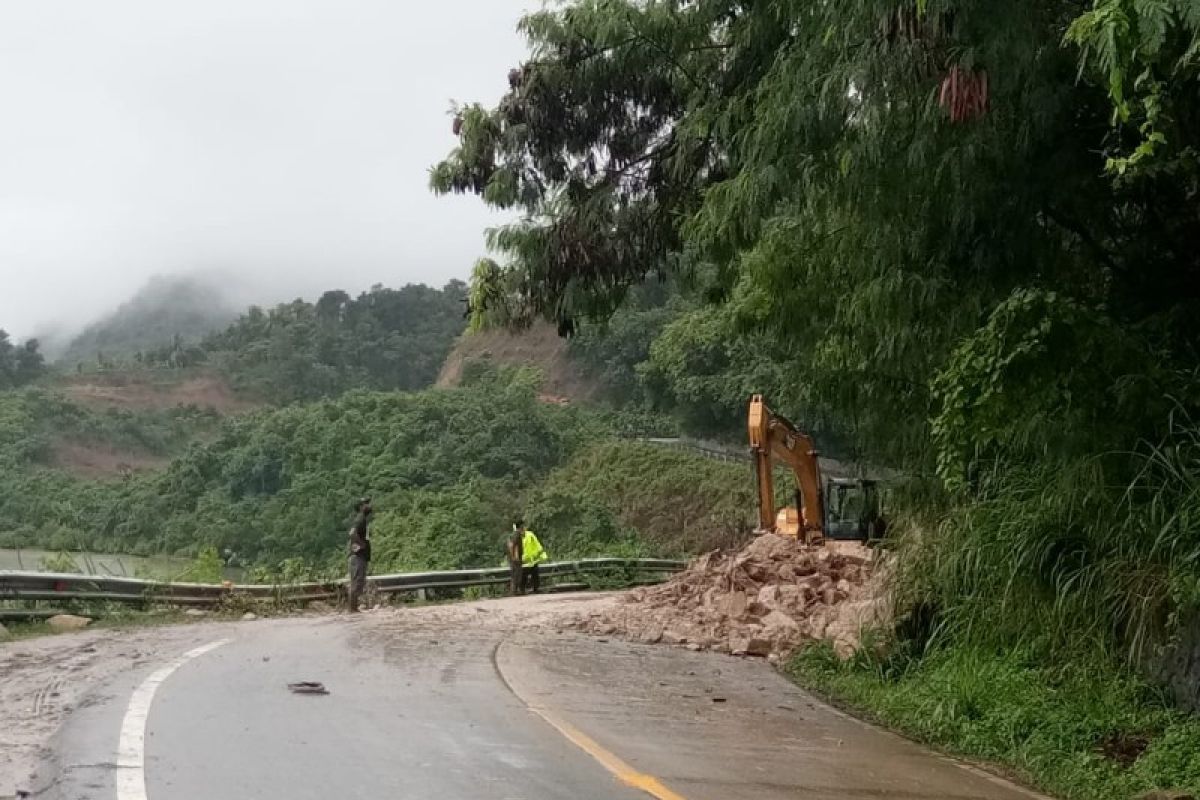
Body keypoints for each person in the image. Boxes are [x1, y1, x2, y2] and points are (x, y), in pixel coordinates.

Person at [347, 497, 372, 612]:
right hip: (357, 556)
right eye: (366, 503)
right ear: (361, 507)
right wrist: (362, 545)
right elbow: (352, 533)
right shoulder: (360, 519)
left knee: (358, 582)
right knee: (356, 583)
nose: (369, 505)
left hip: (360, 556)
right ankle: (352, 610)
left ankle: (354, 609)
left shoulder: (363, 519)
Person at [516, 519, 548, 594]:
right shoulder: (516, 538)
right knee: (523, 577)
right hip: (523, 562)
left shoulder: (530, 535)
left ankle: (536, 589)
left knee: (535, 575)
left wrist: (542, 555)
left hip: (533, 560)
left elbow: (537, 545)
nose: (522, 529)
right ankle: (522, 590)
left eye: (523, 527)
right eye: (520, 528)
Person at [505, 523, 524, 596]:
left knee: (515, 574)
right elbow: (513, 545)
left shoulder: (513, 534)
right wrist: (515, 556)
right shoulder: (517, 535)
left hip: (513, 558)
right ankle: (514, 591)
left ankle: (514, 591)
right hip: (515, 559)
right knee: (517, 574)